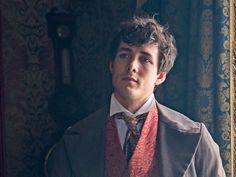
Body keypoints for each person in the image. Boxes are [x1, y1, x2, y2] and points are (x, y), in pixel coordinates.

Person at [47, 15, 226, 177]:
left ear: (160, 75)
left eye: (145, 59)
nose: (132, 65)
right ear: (111, 65)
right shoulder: (74, 142)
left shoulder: (195, 138)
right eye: (125, 55)